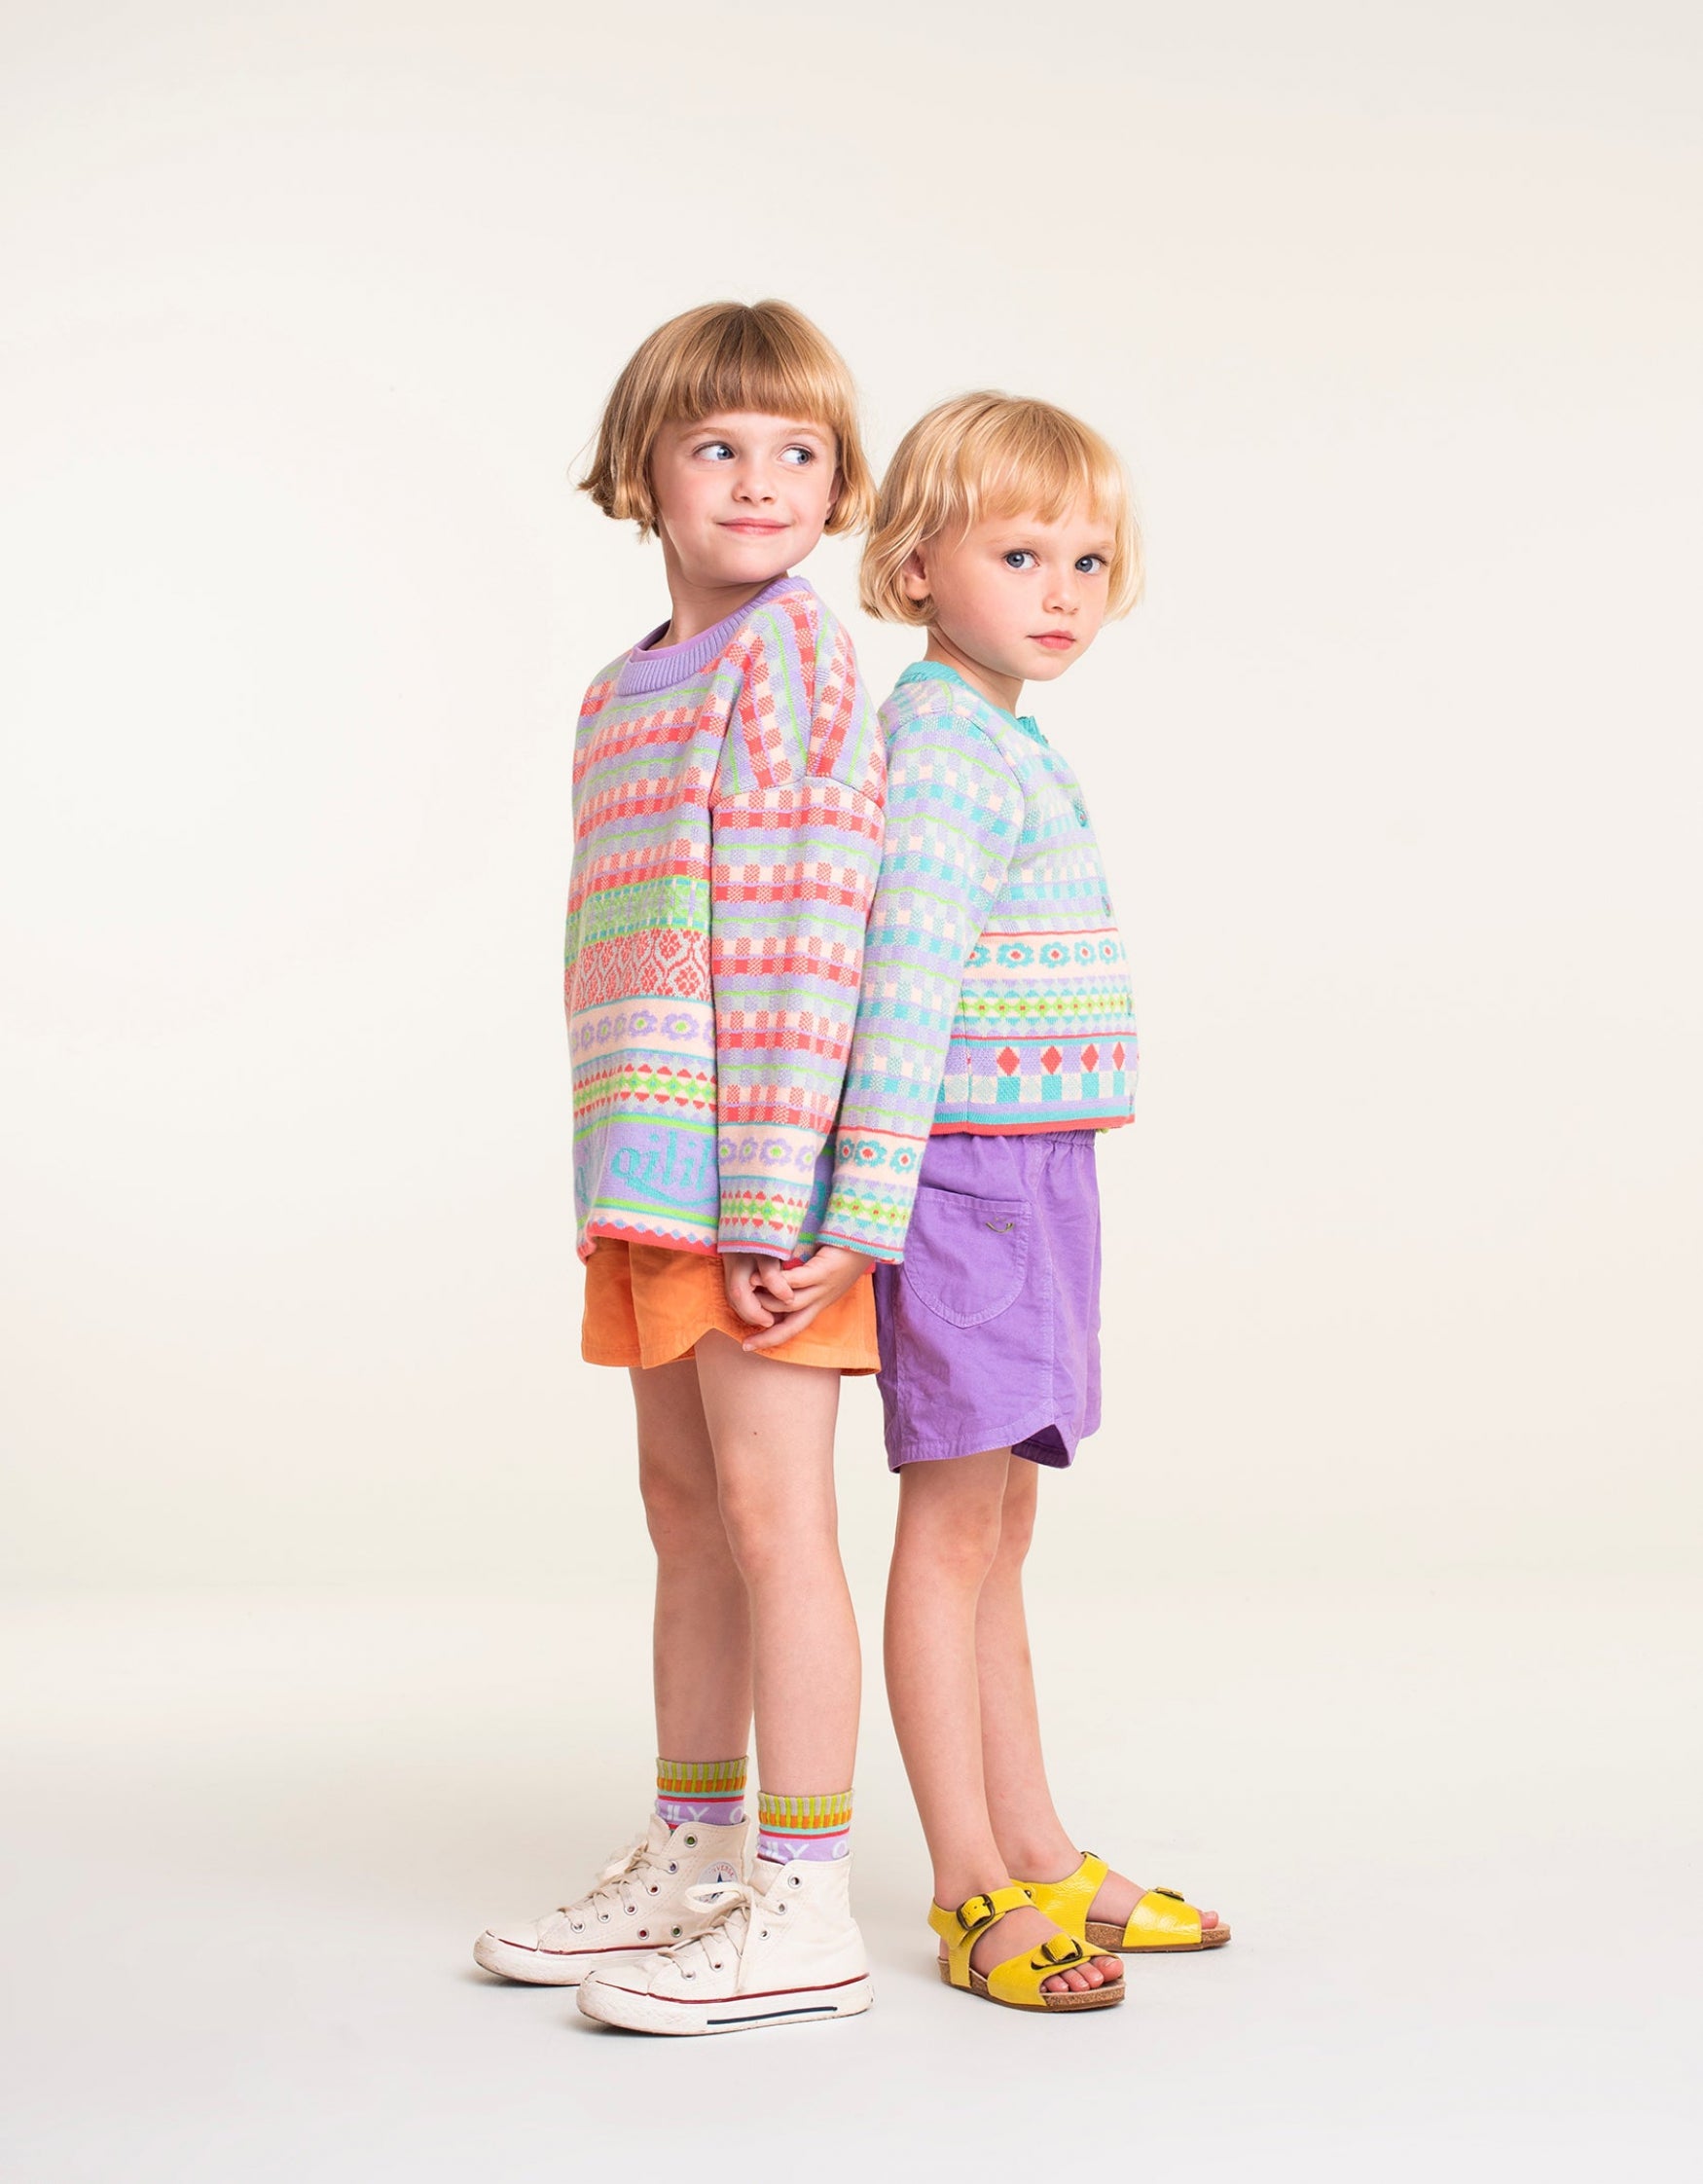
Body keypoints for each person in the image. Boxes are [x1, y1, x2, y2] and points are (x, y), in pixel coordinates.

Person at [474, 301, 885, 2036]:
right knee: (685, 1513)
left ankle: (806, 1902)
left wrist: (791, 1194)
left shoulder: (789, 657)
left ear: (839, 485)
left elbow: (811, 932)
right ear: (642, 472)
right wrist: (616, 1177)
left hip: (756, 1182)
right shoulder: (621, 686)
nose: (759, 481)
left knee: (779, 1521)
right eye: (718, 446)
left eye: (798, 451)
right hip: (653, 1175)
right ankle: (694, 1853)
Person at [809, 392, 1230, 2012]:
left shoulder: (1002, 738)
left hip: (1033, 1164)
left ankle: (1037, 1844)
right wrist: (866, 1211)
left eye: (1087, 561)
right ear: (916, 565)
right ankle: (969, 1886)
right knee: (951, 1525)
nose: (1062, 592)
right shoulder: (941, 749)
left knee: (1003, 1521)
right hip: (965, 1176)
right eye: (1018, 555)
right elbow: (902, 991)